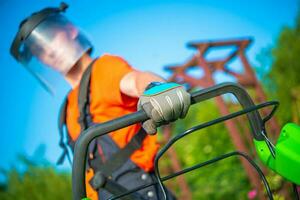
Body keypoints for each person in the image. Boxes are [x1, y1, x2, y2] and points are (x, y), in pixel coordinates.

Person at [10, 3, 191, 200]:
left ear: (70, 30)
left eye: (50, 38)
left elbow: (135, 79)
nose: (48, 52)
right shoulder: (67, 108)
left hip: (140, 191)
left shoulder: (103, 69)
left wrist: (155, 89)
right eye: (40, 52)